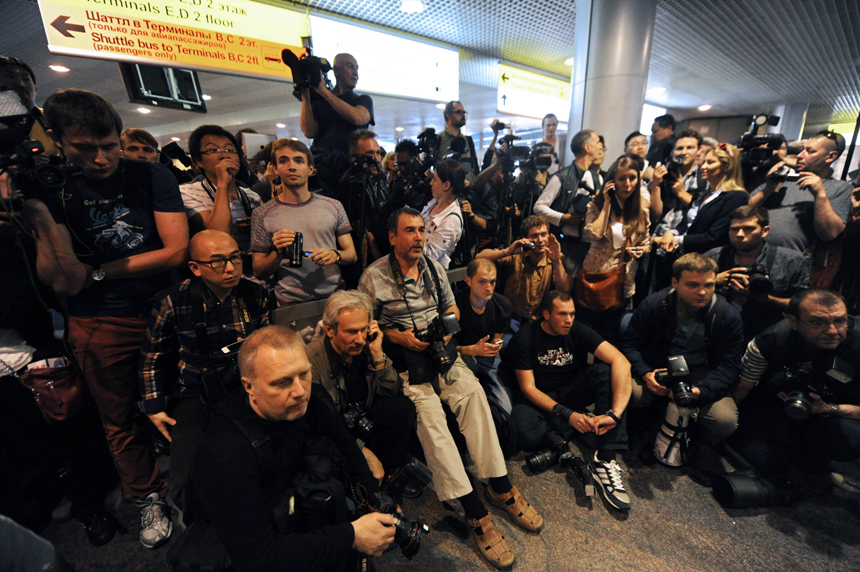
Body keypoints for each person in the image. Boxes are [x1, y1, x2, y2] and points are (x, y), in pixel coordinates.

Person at [19, 88, 189, 548]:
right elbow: (60, 279)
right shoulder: (49, 187)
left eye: (110, 145)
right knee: (119, 418)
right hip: (98, 321)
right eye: (85, 148)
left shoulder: (149, 174)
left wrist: (96, 272)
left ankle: (195, 484)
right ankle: (147, 496)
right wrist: (37, 211)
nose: (101, 158)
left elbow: (175, 249)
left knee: (187, 398)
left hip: (164, 307)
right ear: (57, 140)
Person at [359, 208, 542, 570]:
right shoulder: (373, 277)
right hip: (404, 360)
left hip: (439, 352)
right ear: (393, 237)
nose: (418, 237)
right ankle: (473, 509)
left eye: (421, 231)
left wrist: (445, 332)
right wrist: (399, 337)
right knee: (431, 421)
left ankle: (500, 483)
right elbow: (366, 327)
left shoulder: (433, 267)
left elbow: (451, 308)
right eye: (408, 231)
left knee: (474, 396)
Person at [190, 326, 396, 572]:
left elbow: (348, 448)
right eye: (281, 382)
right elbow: (259, 558)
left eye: (304, 375)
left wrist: (377, 500)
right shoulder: (226, 452)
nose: (300, 392)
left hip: (297, 510)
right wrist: (351, 536)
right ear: (249, 387)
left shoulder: (315, 398)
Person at [139, 230, 271, 517]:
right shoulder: (173, 300)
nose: (230, 267)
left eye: (235, 257)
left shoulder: (256, 294)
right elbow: (152, 357)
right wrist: (153, 407)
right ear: (195, 268)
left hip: (244, 387)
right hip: (195, 391)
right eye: (218, 261)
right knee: (184, 479)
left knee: (264, 460)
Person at [508, 290, 633, 510]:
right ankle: (579, 425)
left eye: (572, 314)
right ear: (546, 314)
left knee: (606, 372)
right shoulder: (525, 337)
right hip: (541, 396)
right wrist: (568, 415)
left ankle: (605, 456)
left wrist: (616, 414)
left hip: (571, 391)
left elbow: (621, 361)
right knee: (524, 436)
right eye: (562, 314)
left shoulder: (577, 329)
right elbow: (528, 388)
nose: (569, 320)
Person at [730, 290, 860, 493]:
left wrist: (829, 408)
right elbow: (742, 388)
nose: (833, 331)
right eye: (818, 322)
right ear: (794, 321)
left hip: (830, 413)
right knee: (768, 462)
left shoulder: (857, 341)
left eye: (841, 321)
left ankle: (813, 460)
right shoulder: (770, 341)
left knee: (851, 438)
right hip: (779, 406)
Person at [619, 254, 744, 459]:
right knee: (630, 393)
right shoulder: (656, 304)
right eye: (693, 285)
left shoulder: (727, 316)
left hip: (699, 373)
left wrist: (700, 392)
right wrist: (645, 374)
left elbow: (729, 366)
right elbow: (629, 344)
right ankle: (648, 419)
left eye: (709, 285)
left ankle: (693, 430)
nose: (702, 292)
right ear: (675, 283)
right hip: (657, 366)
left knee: (724, 420)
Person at [305, 290, 417, 489]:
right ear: (330, 330)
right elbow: (319, 426)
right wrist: (361, 449)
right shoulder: (310, 363)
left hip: (361, 418)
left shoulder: (367, 346)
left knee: (401, 407)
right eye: (351, 332)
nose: (359, 339)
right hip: (335, 432)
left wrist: (377, 353)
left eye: (363, 329)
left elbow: (392, 390)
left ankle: (390, 478)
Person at [251, 138, 357, 304]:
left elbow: (351, 254)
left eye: (299, 160)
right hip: (290, 303)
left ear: (311, 169)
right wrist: (277, 254)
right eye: (284, 161)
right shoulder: (262, 214)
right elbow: (258, 271)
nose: (292, 166)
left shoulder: (333, 206)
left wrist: (335, 255)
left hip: (334, 297)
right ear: (275, 168)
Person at [705, 205, 810, 341]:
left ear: (765, 231)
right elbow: (682, 290)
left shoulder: (790, 260)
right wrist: (711, 281)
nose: (740, 234)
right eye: (734, 229)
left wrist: (765, 298)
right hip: (718, 329)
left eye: (748, 228)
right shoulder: (714, 256)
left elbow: (803, 306)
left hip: (768, 333)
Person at [577, 155, 651, 341]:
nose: (627, 184)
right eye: (621, 178)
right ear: (612, 181)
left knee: (614, 332)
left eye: (632, 178)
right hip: (597, 277)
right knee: (590, 332)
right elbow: (594, 234)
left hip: (624, 279)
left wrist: (640, 250)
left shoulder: (641, 211)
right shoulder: (596, 206)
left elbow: (646, 242)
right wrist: (608, 203)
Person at [750, 131, 853, 256]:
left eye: (810, 151)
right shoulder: (782, 178)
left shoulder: (840, 188)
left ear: (830, 157)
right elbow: (743, 211)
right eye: (802, 149)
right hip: (750, 252)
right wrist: (768, 189)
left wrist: (820, 195)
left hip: (789, 264)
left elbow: (829, 234)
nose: (800, 155)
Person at [652, 142, 749, 256]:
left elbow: (715, 237)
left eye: (710, 162)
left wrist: (676, 239)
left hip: (709, 259)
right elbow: (686, 224)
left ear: (726, 167)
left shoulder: (736, 196)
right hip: (684, 256)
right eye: (704, 162)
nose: (703, 167)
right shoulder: (703, 195)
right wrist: (671, 233)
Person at [181, 125, 263, 256]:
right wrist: (222, 184)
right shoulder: (187, 192)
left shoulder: (251, 196)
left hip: (252, 270)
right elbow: (217, 235)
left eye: (230, 150)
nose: (224, 155)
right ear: (198, 161)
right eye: (213, 150)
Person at [476, 214, 571, 325]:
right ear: (526, 239)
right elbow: (479, 258)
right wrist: (507, 251)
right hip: (511, 319)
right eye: (535, 236)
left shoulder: (556, 257)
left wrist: (557, 261)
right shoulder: (516, 254)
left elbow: (564, 290)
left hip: (540, 321)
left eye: (543, 235)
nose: (540, 240)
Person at [534, 129, 603, 276]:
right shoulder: (561, 177)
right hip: (567, 246)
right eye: (598, 143)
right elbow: (539, 207)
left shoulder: (598, 179)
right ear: (587, 147)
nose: (601, 147)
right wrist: (563, 218)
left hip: (592, 247)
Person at [455, 258, 514, 413]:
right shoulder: (455, 304)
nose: (488, 288)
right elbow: (447, 347)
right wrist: (473, 350)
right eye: (482, 282)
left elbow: (498, 336)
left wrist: (496, 345)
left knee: (506, 408)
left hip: (487, 357)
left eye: (492, 282)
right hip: (461, 355)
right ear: (468, 281)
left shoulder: (503, 305)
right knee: (469, 403)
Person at [336, 129, 390, 265]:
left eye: (378, 153)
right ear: (355, 156)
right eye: (369, 153)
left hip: (387, 241)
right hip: (369, 254)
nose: (376, 158)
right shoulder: (349, 182)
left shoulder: (380, 175)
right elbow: (360, 229)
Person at [0, 55, 59, 157]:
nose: (20, 84)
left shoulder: (55, 118)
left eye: (26, 79)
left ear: (35, 89)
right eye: (9, 77)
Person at [421, 159, 466, 269]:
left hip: (430, 277)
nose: (431, 183)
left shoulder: (451, 220)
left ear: (446, 185)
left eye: (435, 179)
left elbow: (430, 257)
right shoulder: (434, 202)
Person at [437, 101, 480, 186]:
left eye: (464, 112)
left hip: (469, 190)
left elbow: (474, 168)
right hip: (448, 192)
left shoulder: (468, 140)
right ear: (448, 115)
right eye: (459, 112)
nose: (463, 115)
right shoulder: (438, 139)